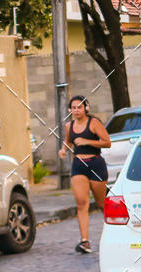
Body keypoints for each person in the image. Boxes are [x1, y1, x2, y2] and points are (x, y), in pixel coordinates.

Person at [59, 95, 111, 253]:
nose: (76, 110)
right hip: (78, 166)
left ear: (86, 108)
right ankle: (85, 241)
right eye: (73, 108)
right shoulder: (69, 125)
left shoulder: (94, 123)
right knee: (81, 203)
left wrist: (88, 141)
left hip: (95, 164)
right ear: (70, 110)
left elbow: (107, 142)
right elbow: (68, 140)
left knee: (101, 203)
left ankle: (114, 232)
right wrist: (63, 150)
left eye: (79, 107)